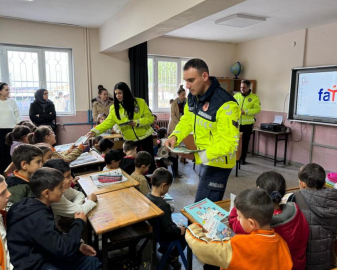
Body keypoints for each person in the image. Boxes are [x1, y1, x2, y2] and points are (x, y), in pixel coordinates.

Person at [164, 59, 240, 203]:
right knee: (204, 205)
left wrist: (197, 157)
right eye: (185, 80)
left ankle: (197, 226)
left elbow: (229, 144)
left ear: (204, 76)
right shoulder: (193, 96)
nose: (187, 85)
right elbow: (187, 120)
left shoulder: (226, 103)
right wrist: (175, 136)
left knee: (203, 206)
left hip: (218, 162)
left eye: (191, 80)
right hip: (205, 158)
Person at [6, 167, 101, 270]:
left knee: (91, 261)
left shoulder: (30, 203)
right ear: (46, 193)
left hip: (41, 254)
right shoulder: (38, 217)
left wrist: (78, 245)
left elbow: (53, 236)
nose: (64, 190)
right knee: (92, 263)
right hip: (35, 265)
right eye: (60, 188)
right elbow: (63, 249)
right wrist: (79, 222)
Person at [186, 188, 293, 270]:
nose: (237, 218)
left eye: (239, 217)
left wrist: (194, 227)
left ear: (251, 223)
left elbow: (200, 247)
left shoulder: (240, 244)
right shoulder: (282, 243)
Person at [229, 171, 309, 270]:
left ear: (258, 191)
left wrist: (243, 202)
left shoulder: (257, 222)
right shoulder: (296, 212)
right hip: (296, 265)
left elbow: (233, 222)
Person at [86, 82, 156, 172]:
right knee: (134, 166)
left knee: (149, 163)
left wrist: (138, 122)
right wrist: (94, 131)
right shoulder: (114, 108)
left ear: (126, 92)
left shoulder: (140, 102)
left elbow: (150, 118)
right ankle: (138, 183)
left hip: (146, 138)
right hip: (131, 142)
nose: (118, 96)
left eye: (120, 93)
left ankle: (152, 183)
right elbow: (106, 123)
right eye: (116, 94)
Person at [293, 163, 337, 270]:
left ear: (302, 184)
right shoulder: (334, 200)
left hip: (303, 260)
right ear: (324, 183)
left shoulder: (296, 197)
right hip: (325, 258)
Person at [146, 168, 187, 269]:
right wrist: (180, 231)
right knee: (185, 233)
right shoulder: (163, 205)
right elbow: (169, 229)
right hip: (162, 236)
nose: (168, 190)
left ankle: (164, 249)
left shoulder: (147, 196)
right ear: (163, 186)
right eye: (168, 187)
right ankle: (173, 256)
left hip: (153, 232)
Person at [233, 80, 261, 165]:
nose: (242, 89)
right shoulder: (236, 96)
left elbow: (257, 109)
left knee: (244, 143)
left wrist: (245, 111)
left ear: (249, 87)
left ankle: (242, 159)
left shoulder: (254, 98)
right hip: (236, 124)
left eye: (244, 87)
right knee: (235, 142)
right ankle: (235, 158)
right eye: (241, 87)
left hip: (247, 125)